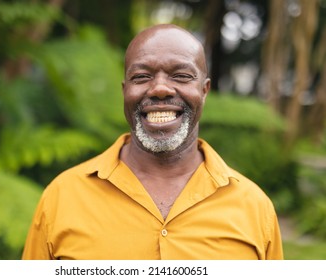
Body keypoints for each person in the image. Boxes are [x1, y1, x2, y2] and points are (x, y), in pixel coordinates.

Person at [22, 24, 284, 260]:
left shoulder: (254, 208)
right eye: (142, 77)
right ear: (125, 90)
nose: (160, 89)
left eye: (180, 75)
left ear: (204, 90)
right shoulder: (62, 197)